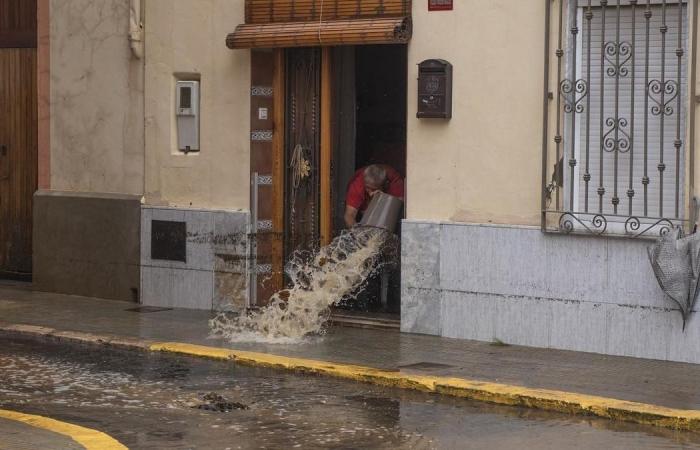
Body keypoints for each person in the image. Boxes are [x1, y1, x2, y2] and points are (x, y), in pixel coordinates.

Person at [344, 164, 404, 228]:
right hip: (362, 208)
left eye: (374, 189)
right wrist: (358, 234)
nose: (370, 193)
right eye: (367, 188)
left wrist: (384, 198)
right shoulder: (357, 184)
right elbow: (349, 215)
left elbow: (398, 210)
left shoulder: (394, 180)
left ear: (385, 184)